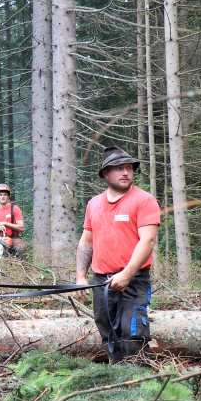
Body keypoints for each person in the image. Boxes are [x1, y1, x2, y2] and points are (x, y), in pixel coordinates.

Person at [75, 146, 161, 364]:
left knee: (133, 333)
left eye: (129, 168)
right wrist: (80, 277)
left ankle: (139, 384)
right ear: (105, 173)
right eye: (119, 168)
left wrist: (127, 274)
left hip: (133, 280)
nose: (126, 173)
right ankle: (118, 382)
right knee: (107, 332)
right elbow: (86, 241)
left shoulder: (144, 200)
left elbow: (147, 240)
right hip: (101, 281)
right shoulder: (94, 204)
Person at [0, 183, 26, 258]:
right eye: (0, 195)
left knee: (21, 247)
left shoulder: (15, 209)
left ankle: (18, 266)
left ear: (8, 196)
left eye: (5, 194)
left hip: (14, 238)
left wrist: (5, 223)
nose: (3, 197)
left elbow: (21, 227)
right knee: (1, 252)